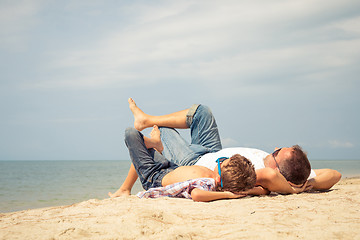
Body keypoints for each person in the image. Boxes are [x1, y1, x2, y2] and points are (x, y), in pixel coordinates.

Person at [109, 98, 341, 197]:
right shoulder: (295, 173)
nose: (276, 147)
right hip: (212, 150)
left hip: (194, 162)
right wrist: (306, 184)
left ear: (280, 170)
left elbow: (270, 177)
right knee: (202, 112)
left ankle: (126, 185)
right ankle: (147, 122)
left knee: (163, 133)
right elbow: (335, 175)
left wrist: (290, 190)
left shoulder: (265, 176)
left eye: (277, 153)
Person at [109, 125, 257, 202]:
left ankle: (155, 144)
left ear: (219, 178)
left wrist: (228, 195)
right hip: (170, 168)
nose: (220, 161)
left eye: (222, 163)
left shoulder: (207, 183)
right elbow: (256, 190)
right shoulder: (217, 179)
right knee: (141, 152)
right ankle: (125, 188)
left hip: (154, 178)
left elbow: (197, 195)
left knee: (131, 134)